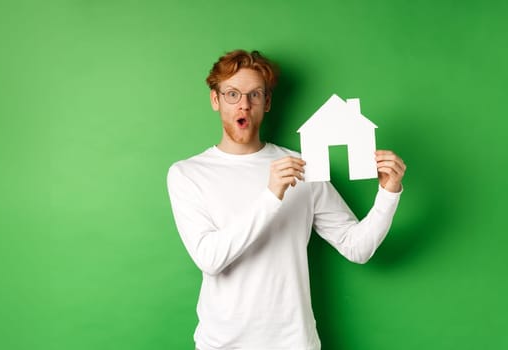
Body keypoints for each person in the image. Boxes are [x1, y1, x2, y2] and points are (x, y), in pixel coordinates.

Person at [166, 50, 406, 350]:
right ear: (215, 100)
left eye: (254, 95)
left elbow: (357, 247)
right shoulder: (188, 174)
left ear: (266, 103)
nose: (244, 104)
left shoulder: (304, 166)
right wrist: (271, 195)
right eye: (232, 94)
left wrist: (389, 192)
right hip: (222, 344)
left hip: (294, 343)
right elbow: (209, 259)